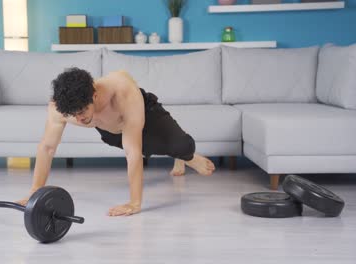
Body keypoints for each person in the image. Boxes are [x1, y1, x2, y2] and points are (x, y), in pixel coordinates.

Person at [17, 67, 215, 216]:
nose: (79, 119)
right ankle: (177, 155)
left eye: (82, 112)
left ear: (94, 96)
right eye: (73, 115)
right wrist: (34, 192)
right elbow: (47, 148)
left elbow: (132, 153)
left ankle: (185, 156)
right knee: (147, 145)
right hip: (112, 130)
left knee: (182, 146)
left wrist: (134, 204)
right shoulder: (59, 108)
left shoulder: (122, 91)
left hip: (144, 112)